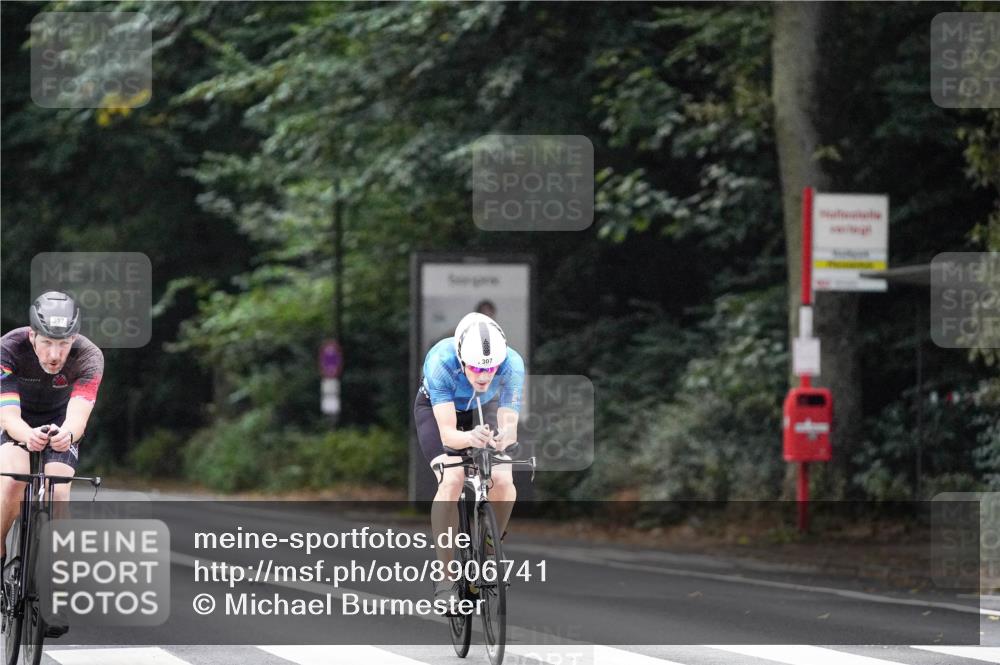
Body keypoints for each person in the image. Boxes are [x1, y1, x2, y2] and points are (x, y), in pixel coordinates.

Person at [0, 292, 103, 635]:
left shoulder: (89, 357)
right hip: (15, 421)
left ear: (75, 338)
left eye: (64, 343)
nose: (56, 354)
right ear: (32, 336)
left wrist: (68, 435)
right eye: (47, 343)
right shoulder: (9, 348)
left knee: (58, 493)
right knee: (14, 481)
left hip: (61, 424)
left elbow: (79, 415)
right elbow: (9, 415)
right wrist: (25, 434)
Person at [415, 312, 524, 610]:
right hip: (440, 410)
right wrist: (470, 439)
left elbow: (509, 422)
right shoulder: (440, 361)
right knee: (452, 480)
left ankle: (491, 551)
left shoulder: (512, 363)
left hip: (482, 408)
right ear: (462, 359)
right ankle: (446, 577)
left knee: (504, 479)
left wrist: (504, 437)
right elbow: (449, 435)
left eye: (491, 368)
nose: (484, 375)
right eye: (476, 367)